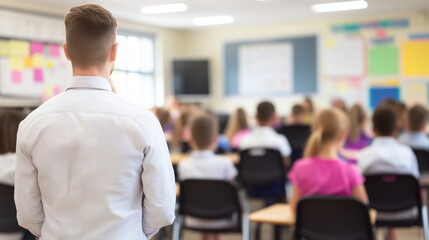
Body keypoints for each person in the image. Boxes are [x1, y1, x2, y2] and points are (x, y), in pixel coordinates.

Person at [14, 4, 175, 240]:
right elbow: (161, 208)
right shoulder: (143, 122)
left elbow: (28, 215)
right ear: (114, 52)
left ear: (66, 51)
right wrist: (132, 232)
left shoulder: (32, 124)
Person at [288, 108, 368, 212]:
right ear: (342, 135)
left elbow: (294, 209)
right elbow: (364, 209)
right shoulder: (350, 171)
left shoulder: (299, 168)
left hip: (311, 228)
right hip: (342, 228)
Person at [359, 106, 419, 240]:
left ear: (373, 129)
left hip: (373, 211)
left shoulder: (364, 156)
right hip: (405, 210)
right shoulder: (407, 153)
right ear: (397, 128)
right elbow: (415, 181)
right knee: (392, 200)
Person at [177, 114, 238, 240]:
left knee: (206, 222)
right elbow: (231, 190)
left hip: (193, 217)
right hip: (223, 217)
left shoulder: (183, 165)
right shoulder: (225, 163)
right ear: (215, 140)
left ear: (190, 141)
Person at [240, 101, 292, 166]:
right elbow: (286, 164)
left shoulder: (245, 140)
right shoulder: (280, 140)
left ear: (255, 117)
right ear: (275, 118)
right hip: (275, 176)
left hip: (250, 176)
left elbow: (242, 163)